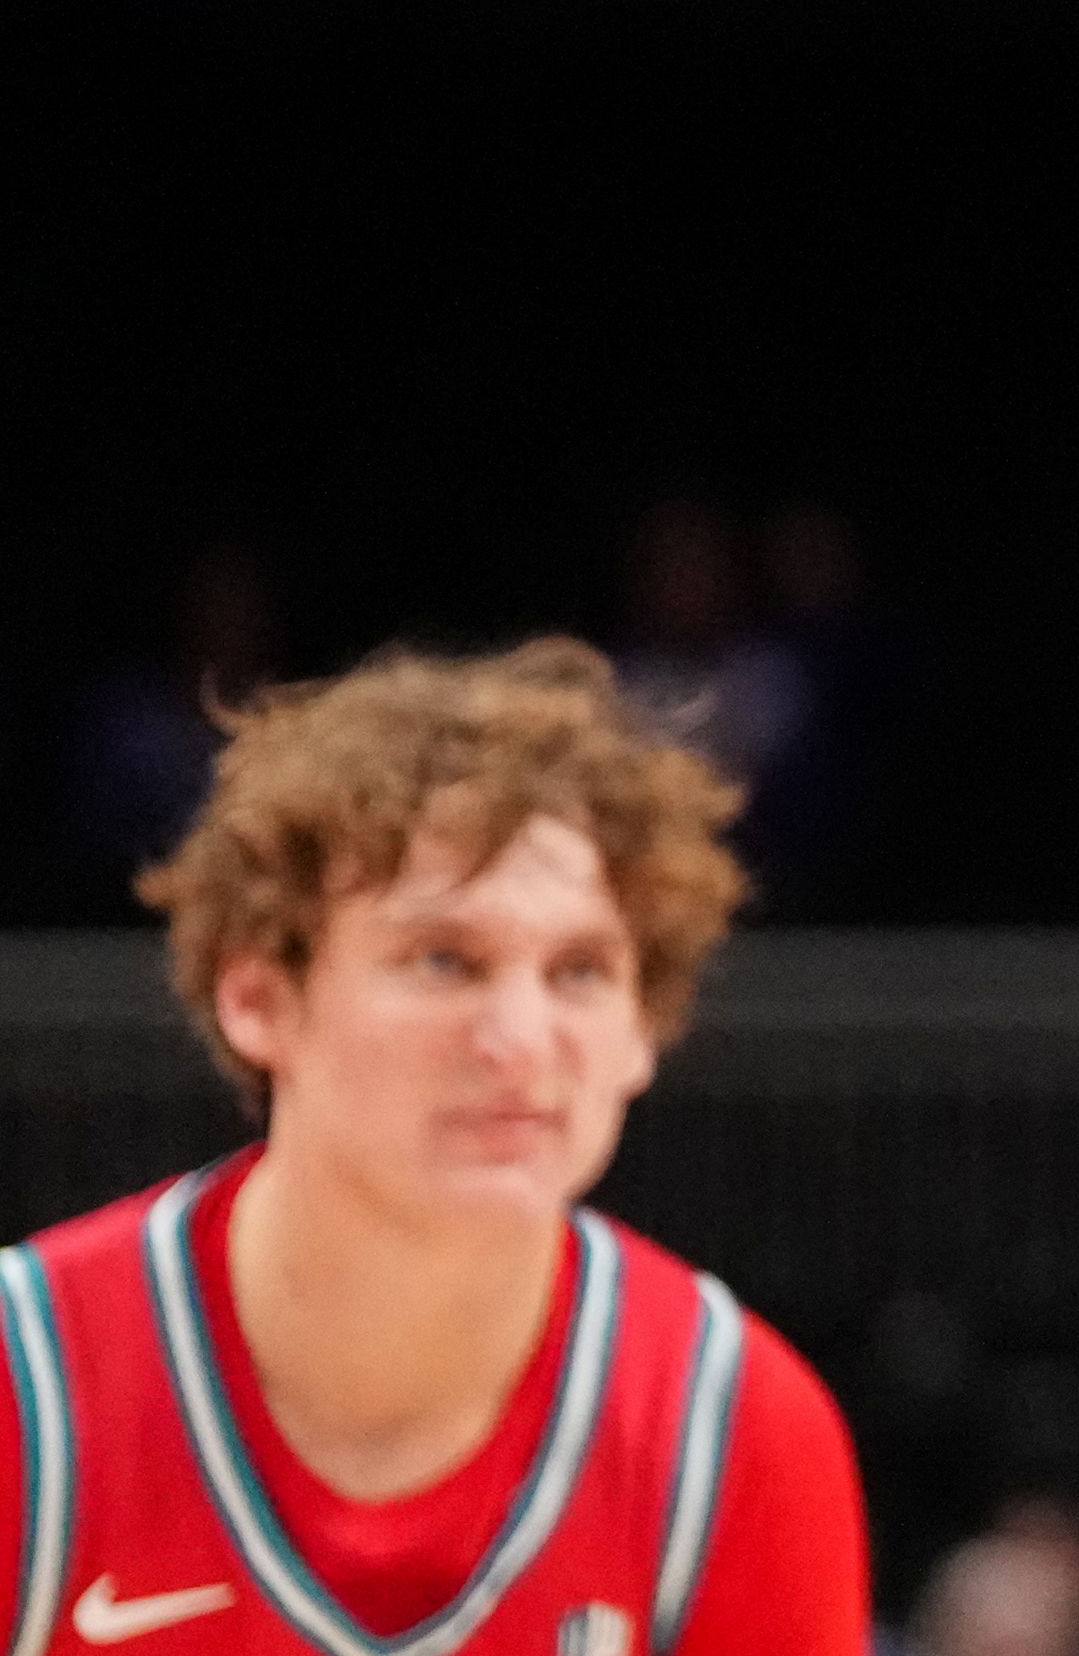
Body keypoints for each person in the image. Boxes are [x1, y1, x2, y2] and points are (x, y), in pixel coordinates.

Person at [0, 644, 870, 1656]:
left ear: (644, 1030)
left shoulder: (738, 1432)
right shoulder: (29, 1390)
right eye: (445, 959)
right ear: (258, 995)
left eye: (580, 970)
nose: (520, 1037)